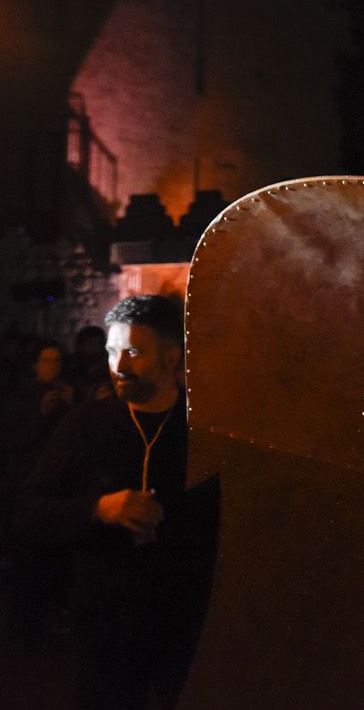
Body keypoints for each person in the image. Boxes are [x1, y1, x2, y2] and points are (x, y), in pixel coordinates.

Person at [15, 295, 215, 710]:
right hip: (106, 623)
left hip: (187, 624)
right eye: (112, 350)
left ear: (171, 357)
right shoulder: (86, 425)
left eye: (134, 352)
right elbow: (28, 511)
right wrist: (97, 509)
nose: (118, 365)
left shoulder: (204, 431)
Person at [2, 339, 75, 647]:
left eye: (57, 361)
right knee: (27, 560)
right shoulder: (19, 398)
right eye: (47, 361)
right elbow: (14, 444)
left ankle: (44, 619)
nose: (53, 367)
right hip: (25, 486)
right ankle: (24, 626)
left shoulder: (66, 394)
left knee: (51, 559)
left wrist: (71, 406)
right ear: (34, 365)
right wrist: (41, 416)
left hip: (55, 490)